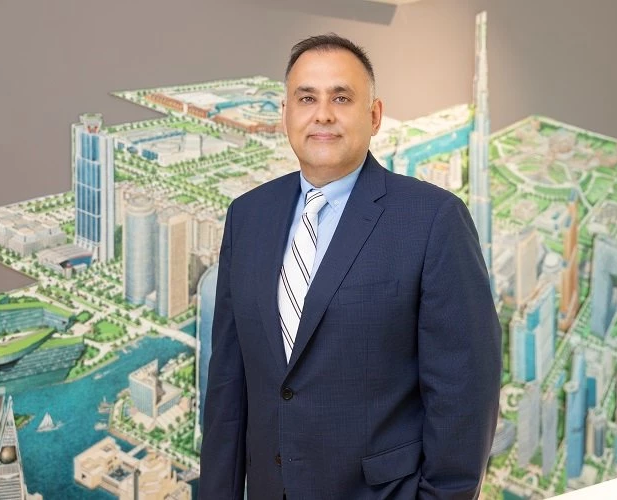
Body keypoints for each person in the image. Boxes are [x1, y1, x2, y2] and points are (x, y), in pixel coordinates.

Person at [200, 33, 501, 500]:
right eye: (306, 98)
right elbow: (227, 382)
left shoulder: (432, 219)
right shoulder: (248, 215)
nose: (322, 114)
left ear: (374, 115)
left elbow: (464, 395)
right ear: (285, 113)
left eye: (341, 98)